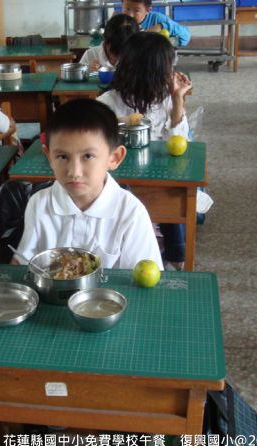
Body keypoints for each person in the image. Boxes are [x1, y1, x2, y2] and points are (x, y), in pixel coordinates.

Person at [14, 98, 163, 271]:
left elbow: (144, 278)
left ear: (114, 158)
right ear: (49, 157)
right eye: (62, 157)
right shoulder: (39, 204)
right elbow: (23, 264)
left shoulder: (131, 213)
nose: (74, 172)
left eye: (88, 156)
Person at [97, 32, 191, 270]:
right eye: (168, 68)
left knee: (175, 191)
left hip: (159, 178)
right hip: (119, 182)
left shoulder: (166, 100)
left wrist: (178, 99)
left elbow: (179, 143)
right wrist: (120, 123)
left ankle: (176, 254)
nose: (172, 73)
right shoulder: (107, 103)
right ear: (152, 72)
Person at [122, 0, 191, 47]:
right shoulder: (120, 23)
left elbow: (185, 36)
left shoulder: (157, 19)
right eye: (127, 8)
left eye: (136, 10)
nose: (130, 15)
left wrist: (161, 26)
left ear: (148, 10)